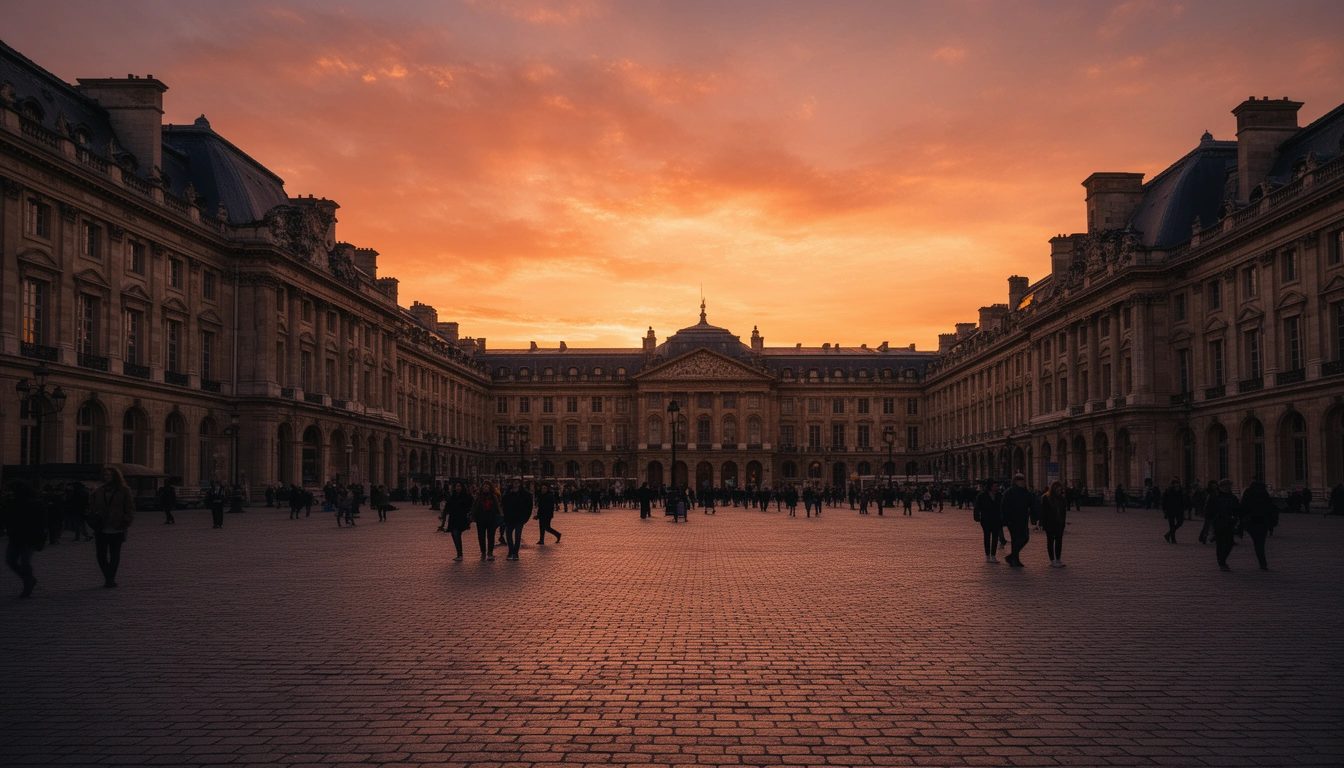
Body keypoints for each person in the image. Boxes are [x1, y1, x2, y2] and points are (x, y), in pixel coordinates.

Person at [88, 467, 135, 588]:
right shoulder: (99, 490)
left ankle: (110, 579)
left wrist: (126, 520)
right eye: (105, 475)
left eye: (109, 475)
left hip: (117, 526)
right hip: (102, 527)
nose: (107, 477)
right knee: (100, 555)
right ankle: (108, 576)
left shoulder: (124, 490)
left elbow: (130, 507)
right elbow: (92, 507)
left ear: (115, 476)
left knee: (114, 555)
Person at [5, 480, 46, 597]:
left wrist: (41, 538)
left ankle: (28, 582)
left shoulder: (35, 504)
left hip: (29, 537)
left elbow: (41, 523)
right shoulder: (12, 503)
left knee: (22, 562)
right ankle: (28, 580)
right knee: (12, 561)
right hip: (18, 536)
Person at [1000, 473, 1036, 568]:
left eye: (1024, 480)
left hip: (1023, 519)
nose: (1024, 481)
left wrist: (1034, 516)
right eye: (1021, 480)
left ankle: (1012, 557)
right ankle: (1015, 560)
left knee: (1025, 538)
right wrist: (1005, 519)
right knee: (1015, 539)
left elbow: (1032, 505)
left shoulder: (1026, 492)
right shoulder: (1009, 492)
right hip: (1012, 520)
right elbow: (1004, 507)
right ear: (1016, 481)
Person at [1205, 478, 1241, 572]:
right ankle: (1221, 562)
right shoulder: (1213, 497)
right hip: (1218, 523)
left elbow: (1237, 509)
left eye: (1228, 486)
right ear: (1220, 487)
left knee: (1229, 543)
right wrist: (1213, 517)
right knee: (1220, 543)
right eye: (1224, 486)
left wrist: (1236, 518)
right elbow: (1208, 509)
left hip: (1229, 523)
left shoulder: (1232, 498)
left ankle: (1223, 559)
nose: (1227, 488)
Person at [1239, 480, 1274, 571]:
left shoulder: (1248, 494)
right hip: (1263, 523)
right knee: (1260, 544)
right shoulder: (1265, 495)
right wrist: (1272, 524)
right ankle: (1263, 563)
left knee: (1258, 543)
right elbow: (1272, 510)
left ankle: (1263, 563)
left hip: (1252, 523)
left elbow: (1242, 508)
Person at [501, 481, 533, 560]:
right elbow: (503, 505)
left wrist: (525, 518)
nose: (515, 484)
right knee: (508, 535)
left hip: (519, 518)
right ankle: (510, 551)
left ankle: (515, 553)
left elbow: (529, 507)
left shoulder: (525, 494)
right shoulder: (508, 494)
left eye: (517, 482)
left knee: (517, 535)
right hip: (509, 518)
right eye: (514, 482)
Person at [1040, 481, 1068, 567]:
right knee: (1050, 541)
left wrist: (1063, 522)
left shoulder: (1062, 498)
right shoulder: (1046, 498)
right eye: (1058, 487)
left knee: (1059, 541)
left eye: (1060, 487)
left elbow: (1063, 511)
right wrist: (1042, 523)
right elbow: (1043, 512)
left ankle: (1058, 559)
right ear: (1053, 488)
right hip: (1050, 523)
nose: (1059, 489)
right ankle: (1052, 560)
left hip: (1059, 523)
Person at [471, 481, 501, 560]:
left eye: (487, 487)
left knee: (491, 536)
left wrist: (501, 515)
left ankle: (490, 552)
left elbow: (498, 507)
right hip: (480, 518)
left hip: (491, 518)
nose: (485, 489)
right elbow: (474, 507)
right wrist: (472, 515)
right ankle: (483, 552)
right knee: (481, 536)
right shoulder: (479, 497)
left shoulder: (493, 497)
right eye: (484, 487)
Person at [973, 481, 1001, 563]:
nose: (995, 488)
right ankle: (987, 555)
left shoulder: (999, 495)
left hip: (996, 519)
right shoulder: (982, 496)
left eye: (996, 486)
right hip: (986, 519)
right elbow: (977, 507)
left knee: (995, 537)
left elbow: (1003, 506)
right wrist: (977, 517)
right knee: (987, 537)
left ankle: (993, 555)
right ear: (989, 487)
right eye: (993, 486)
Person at [444, 481, 473, 561]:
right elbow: (448, 506)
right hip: (453, 518)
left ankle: (460, 554)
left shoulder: (465, 496)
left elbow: (469, 505)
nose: (458, 488)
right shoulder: (452, 496)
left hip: (461, 518)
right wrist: (444, 514)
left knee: (456, 534)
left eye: (459, 486)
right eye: (457, 486)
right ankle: (459, 554)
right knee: (454, 535)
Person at [1161, 478, 1185, 543]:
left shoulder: (1180, 492)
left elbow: (1182, 501)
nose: (1177, 487)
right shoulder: (1168, 492)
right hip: (1170, 510)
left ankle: (1168, 534)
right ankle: (1173, 539)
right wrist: (1165, 510)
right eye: (1176, 486)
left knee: (1180, 522)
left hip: (1178, 510)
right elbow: (1164, 501)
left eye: (1178, 486)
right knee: (1171, 524)